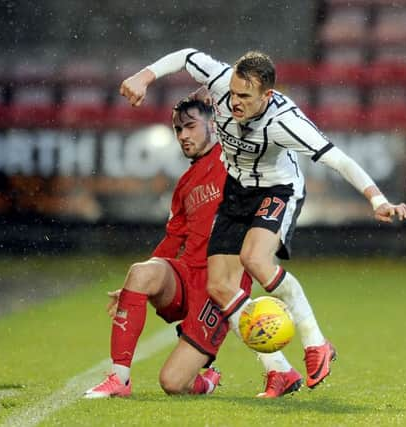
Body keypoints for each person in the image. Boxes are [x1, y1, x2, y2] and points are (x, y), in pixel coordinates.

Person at [120, 49, 406, 392]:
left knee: (254, 259)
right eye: (233, 92)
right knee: (219, 286)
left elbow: (338, 159)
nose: (234, 102)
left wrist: (377, 199)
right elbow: (186, 56)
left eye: (245, 96)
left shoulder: (285, 121)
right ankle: (280, 369)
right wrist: (144, 75)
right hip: (236, 189)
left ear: (267, 96)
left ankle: (316, 343)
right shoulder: (220, 82)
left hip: (278, 189)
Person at [84, 98, 302, 399]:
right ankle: (119, 379)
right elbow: (173, 239)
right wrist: (133, 288)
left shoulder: (235, 158)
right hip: (187, 275)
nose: (183, 135)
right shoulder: (185, 184)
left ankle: (213, 380)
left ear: (214, 125)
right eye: (178, 129)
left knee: (173, 383)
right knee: (140, 272)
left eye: (190, 126)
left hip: (222, 281)